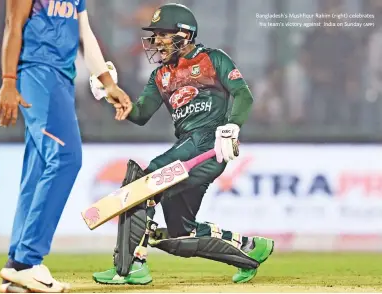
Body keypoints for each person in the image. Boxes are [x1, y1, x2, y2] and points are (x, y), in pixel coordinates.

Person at [90, 3, 274, 285]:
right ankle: (250, 248)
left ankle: (132, 265)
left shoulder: (212, 59)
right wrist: (111, 95)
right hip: (189, 149)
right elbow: (139, 114)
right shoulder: (160, 76)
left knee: (145, 182)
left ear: (184, 34)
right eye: (156, 35)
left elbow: (243, 95)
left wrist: (232, 126)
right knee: (180, 234)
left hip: (210, 143)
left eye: (163, 34)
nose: (157, 41)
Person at [0, 0, 132, 292]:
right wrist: (8, 81)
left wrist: (107, 83)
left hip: (61, 79)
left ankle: (16, 265)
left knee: (39, 167)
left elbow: (86, 34)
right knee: (66, 157)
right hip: (36, 73)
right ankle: (27, 261)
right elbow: (12, 24)